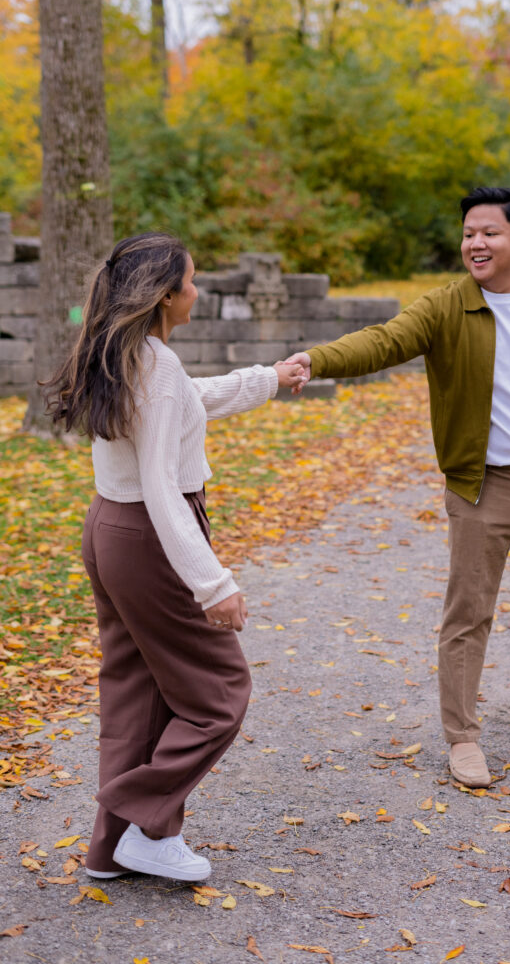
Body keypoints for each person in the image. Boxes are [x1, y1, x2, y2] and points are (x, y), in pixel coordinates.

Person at [286, 186, 510, 789]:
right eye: (469, 233)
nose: (475, 243)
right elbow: (383, 340)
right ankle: (463, 737)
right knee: (468, 612)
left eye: (490, 233)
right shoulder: (445, 307)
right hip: (482, 489)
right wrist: (317, 360)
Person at [45, 232, 304, 880]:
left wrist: (266, 379)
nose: (198, 290)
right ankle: (142, 820)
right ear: (165, 296)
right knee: (220, 692)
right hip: (149, 537)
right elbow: (163, 487)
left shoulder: (129, 351)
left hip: (110, 529)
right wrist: (214, 584)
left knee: (135, 693)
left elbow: (188, 401)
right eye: (191, 281)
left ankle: (111, 849)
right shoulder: (153, 365)